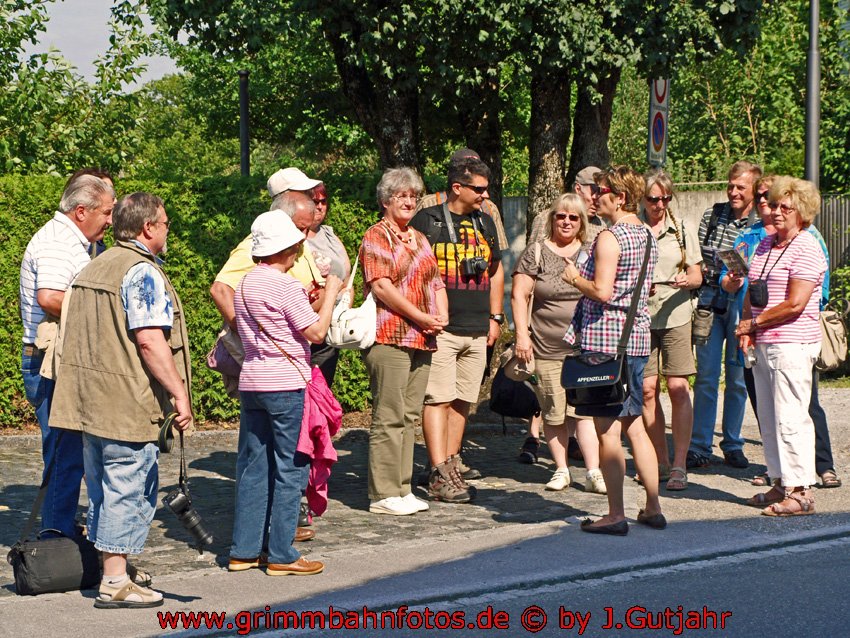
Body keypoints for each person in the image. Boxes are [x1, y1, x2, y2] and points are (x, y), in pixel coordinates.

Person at [50, 192, 191, 608]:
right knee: (128, 487)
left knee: (103, 488)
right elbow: (150, 341)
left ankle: (114, 569)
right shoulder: (141, 273)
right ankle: (114, 580)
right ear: (149, 228)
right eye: (165, 224)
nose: (167, 231)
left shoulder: (94, 265)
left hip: (88, 399)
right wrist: (179, 394)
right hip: (126, 399)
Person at [228, 210, 341, 575]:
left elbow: (281, 319)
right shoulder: (287, 285)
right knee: (292, 466)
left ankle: (243, 551)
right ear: (287, 249)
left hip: (253, 381)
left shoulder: (246, 282)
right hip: (285, 383)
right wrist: (333, 294)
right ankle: (281, 553)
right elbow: (316, 334)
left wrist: (310, 301)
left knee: (254, 466)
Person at [723, 176, 842, 489]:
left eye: (784, 207)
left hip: (791, 343)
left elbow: (796, 303)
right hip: (762, 344)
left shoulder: (807, 247)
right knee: (769, 418)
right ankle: (779, 483)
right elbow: (752, 289)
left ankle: (800, 490)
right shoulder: (764, 244)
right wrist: (748, 327)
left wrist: (755, 324)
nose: (775, 211)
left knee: (791, 419)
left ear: (801, 212)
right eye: (773, 204)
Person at [563, 166, 662, 535]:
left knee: (608, 432)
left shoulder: (610, 237)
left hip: (605, 343)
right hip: (635, 339)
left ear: (619, 197)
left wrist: (575, 278)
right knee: (636, 427)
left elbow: (603, 292)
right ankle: (652, 506)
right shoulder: (648, 235)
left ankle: (615, 514)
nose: (593, 195)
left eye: (600, 190)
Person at [19, 174, 115, 538]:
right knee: (65, 454)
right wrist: (106, 312)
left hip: (55, 361)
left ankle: (59, 530)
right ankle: (56, 538)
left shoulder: (71, 239)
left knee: (67, 452)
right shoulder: (60, 241)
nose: (110, 219)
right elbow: (50, 297)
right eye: (106, 212)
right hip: (49, 364)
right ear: (81, 211)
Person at [410, 155, 504, 503]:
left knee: (463, 399)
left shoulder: (485, 222)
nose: (485, 195)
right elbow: (412, 273)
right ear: (457, 188)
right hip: (441, 328)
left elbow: (495, 270)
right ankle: (437, 472)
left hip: (477, 326)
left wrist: (495, 318)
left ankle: (450, 464)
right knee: (438, 398)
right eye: (479, 189)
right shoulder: (428, 220)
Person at [361, 168, 448, 515]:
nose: (409, 201)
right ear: (386, 201)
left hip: (422, 338)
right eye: (401, 196)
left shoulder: (420, 237)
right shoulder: (376, 236)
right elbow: (382, 287)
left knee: (410, 416)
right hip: (389, 336)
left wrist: (441, 315)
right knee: (389, 415)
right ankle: (382, 493)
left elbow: (436, 282)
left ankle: (403, 487)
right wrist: (421, 317)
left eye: (413, 195)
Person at [511, 193, 606, 494]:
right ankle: (561, 470)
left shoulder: (591, 252)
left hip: (584, 349)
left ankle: (593, 472)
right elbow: (519, 294)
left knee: (584, 414)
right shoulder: (536, 252)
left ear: (582, 223)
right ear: (552, 219)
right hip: (546, 347)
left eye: (573, 217)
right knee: (553, 412)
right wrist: (522, 335)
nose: (566, 221)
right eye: (560, 216)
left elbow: (603, 290)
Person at [689, 160, 762, 470]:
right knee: (705, 378)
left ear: (754, 191)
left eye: (740, 187)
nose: (733, 191)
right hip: (710, 304)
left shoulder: (762, 223)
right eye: (730, 185)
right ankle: (699, 446)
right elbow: (698, 260)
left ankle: (732, 443)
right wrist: (720, 276)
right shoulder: (713, 215)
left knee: (737, 380)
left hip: (743, 309)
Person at [639, 170, 703, 491]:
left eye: (665, 198)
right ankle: (660, 461)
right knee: (647, 390)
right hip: (642, 318)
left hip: (676, 313)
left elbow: (696, 275)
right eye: (653, 198)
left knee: (677, 387)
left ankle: (680, 463)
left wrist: (686, 281)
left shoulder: (682, 229)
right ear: (642, 198)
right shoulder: (632, 229)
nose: (660, 204)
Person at [305, 181, 352, 386]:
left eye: (324, 201)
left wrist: (345, 302)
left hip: (332, 323)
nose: (320, 206)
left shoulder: (330, 234)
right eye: (315, 202)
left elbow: (347, 273)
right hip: (308, 324)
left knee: (323, 387)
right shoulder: (295, 237)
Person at [416, 148, 509, 251]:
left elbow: (497, 254)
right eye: (466, 167)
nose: (485, 195)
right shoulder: (428, 204)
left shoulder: (489, 208)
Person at [573, 166, 606, 243]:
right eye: (594, 191)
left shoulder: (601, 226)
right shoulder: (551, 219)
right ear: (578, 189)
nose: (597, 198)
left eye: (600, 192)